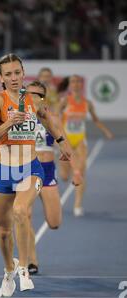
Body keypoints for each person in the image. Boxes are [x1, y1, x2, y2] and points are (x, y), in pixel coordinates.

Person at [0, 54, 72, 297]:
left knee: (21, 211)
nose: (13, 78)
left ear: (23, 74)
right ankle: (8, 269)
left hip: (31, 167)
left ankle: (23, 268)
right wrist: (9, 123)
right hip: (4, 170)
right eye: (8, 74)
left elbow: (49, 121)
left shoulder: (33, 100)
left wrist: (62, 142)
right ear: (1, 78)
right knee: (3, 231)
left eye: (17, 72)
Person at [26, 78, 83, 275]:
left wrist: (75, 171)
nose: (33, 98)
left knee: (54, 222)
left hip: (48, 171)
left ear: (43, 98)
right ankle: (31, 261)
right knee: (25, 216)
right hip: (26, 170)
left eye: (37, 95)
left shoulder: (51, 118)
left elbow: (66, 146)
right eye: (29, 94)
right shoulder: (17, 117)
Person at [58, 74, 114, 216]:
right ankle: (70, 169)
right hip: (66, 140)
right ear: (69, 85)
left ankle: (77, 205)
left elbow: (95, 120)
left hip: (80, 140)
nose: (75, 84)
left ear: (81, 85)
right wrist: (57, 137)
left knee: (80, 172)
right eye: (73, 82)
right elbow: (54, 119)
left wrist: (106, 131)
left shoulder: (87, 103)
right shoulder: (65, 101)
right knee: (64, 176)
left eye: (78, 82)